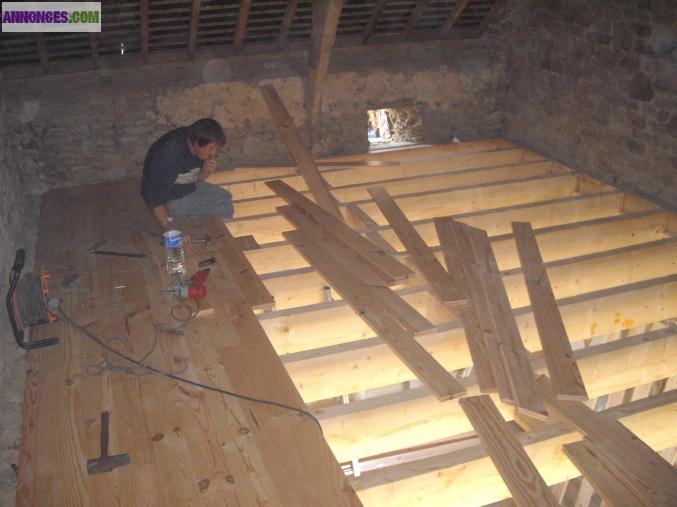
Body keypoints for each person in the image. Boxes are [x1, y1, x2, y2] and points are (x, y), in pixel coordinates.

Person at [141, 118, 234, 231]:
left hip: (186, 188)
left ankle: (219, 234)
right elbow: (155, 199)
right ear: (196, 143)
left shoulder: (199, 141)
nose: (213, 153)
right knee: (176, 210)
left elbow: (195, 180)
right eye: (211, 148)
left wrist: (205, 171)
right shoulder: (167, 155)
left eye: (216, 148)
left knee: (225, 200)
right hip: (168, 199)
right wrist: (172, 229)